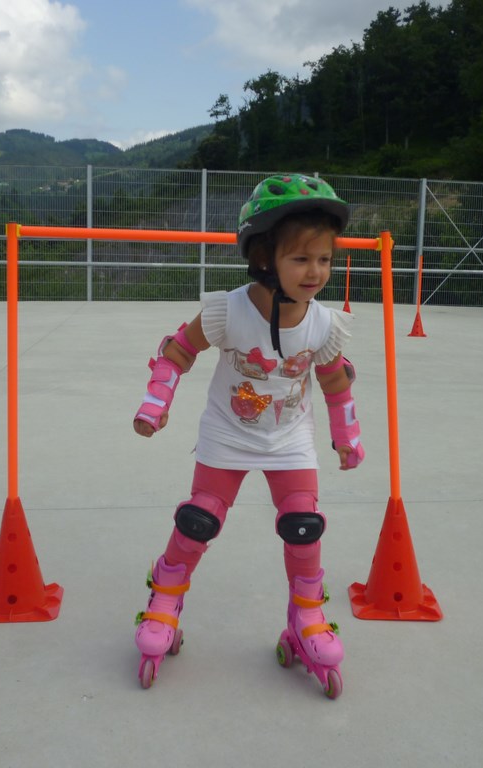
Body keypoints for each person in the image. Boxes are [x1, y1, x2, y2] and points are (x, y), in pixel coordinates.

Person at [131, 174, 365, 698]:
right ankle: (164, 600)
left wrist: (346, 436)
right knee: (198, 521)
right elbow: (177, 350)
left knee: (304, 527)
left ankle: (307, 617)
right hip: (228, 433)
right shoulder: (228, 310)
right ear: (263, 256)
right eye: (301, 259)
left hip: (289, 439)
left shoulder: (324, 324)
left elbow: (335, 383)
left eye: (325, 259)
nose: (316, 272)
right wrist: (156, 402)